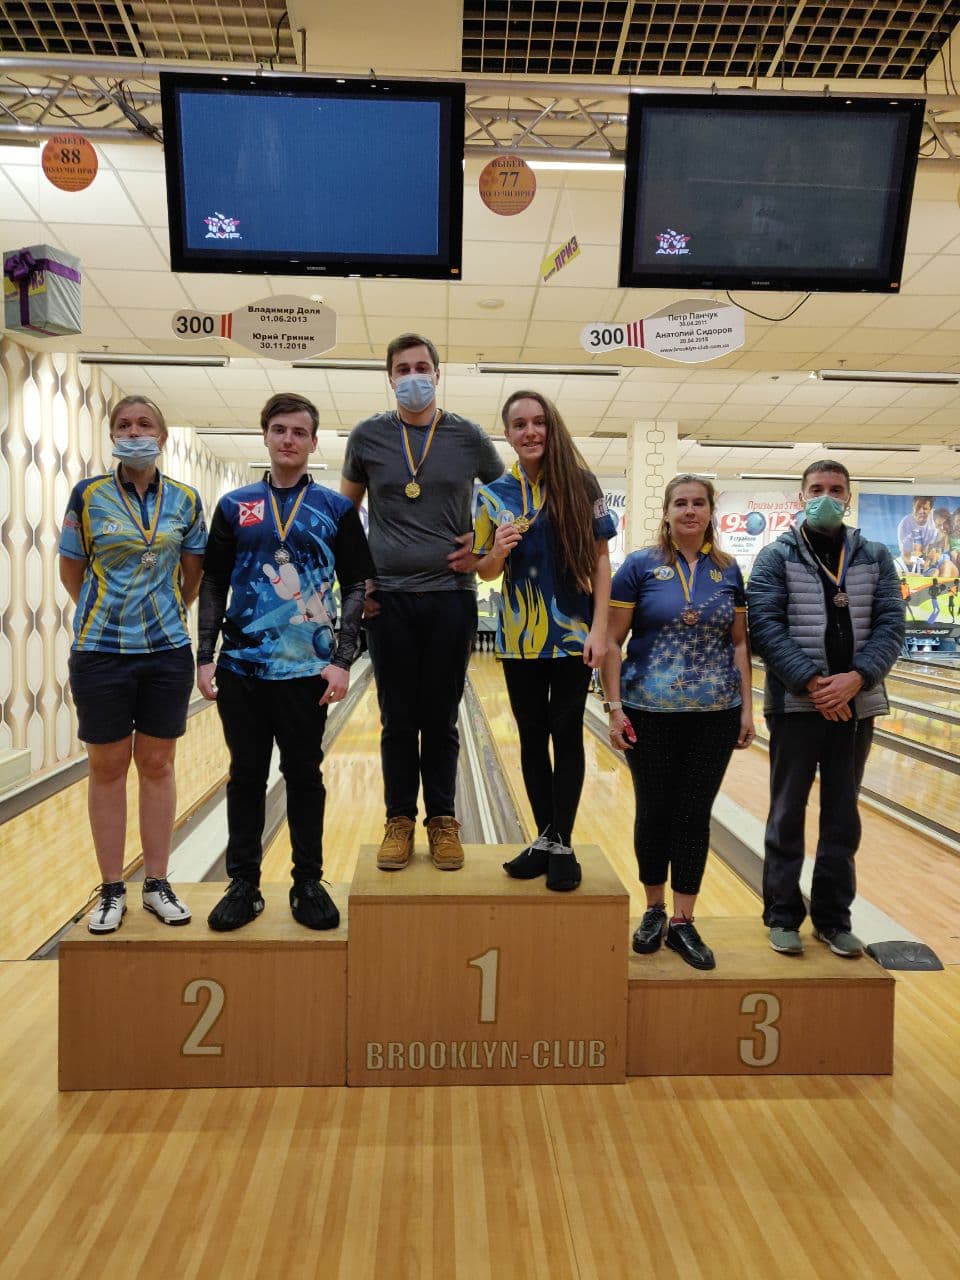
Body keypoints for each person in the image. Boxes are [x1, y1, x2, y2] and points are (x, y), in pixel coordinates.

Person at [197, 393, 373, 931]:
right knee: (245, 776)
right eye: (279, 429)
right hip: (242, 667)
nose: (288, 439)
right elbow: (213, 582)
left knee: (303, 775)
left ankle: (307, 881)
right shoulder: (235, 505)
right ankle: (243, 884)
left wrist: (342, 658)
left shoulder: (336, 509)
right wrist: (205, 656)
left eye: (299, 432)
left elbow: (357, 584)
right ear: (266, 436)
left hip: (307, 670)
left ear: (313, 442)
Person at [341, 333, 503, 872]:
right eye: (402, 368)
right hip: (387, 601)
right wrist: (358, 583)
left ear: (438, 373)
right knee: (396, 718)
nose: (413, 376)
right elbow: (344, 518)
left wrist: (483, 545)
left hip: (451, 598)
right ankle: (399, 820)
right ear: (390, 377)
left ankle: (443, 820)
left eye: (421, 367)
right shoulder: (368, 436)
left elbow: (509, 498)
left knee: (440, 718)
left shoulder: (467, 436)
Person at [59, 395, 206, 933]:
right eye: (123, 425)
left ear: (162, 436)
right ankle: (111, 889)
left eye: (145, 424)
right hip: (100, 650)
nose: (134, 432)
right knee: (108, 766)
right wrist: (110, 612)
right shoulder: (88, 495)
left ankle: (157, 883)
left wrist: (164, 612)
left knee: (158, 764)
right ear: (112, 435)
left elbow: (193, 573)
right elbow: (72, 570)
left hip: (166, 651)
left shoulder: (186, 499)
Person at [747, 460, 904, 959]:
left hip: (857, 705)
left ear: (849, 497)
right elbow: (764, 626)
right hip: (796, 706)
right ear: (801, 497)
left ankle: (834, 921)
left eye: (836, 489)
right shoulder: (776, 555)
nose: (826, 497)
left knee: (842, 817)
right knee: (786, 813)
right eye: (817, 489)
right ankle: (782, 916)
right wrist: (814, 684)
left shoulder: (875, 556)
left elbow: (892, 624)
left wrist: (857, 678)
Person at [600, 475, 754, 970]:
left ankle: (684, 921)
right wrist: (614, 707)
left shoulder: (728, 570)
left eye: (699, 503)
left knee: (694, 813)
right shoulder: (639, 566)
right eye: (681, 503)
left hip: (715, 713)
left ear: (710, 512)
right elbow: (612, 641)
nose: (690, 510)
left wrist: (747, 708)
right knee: (655, 810)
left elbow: (739, 643)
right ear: (666, 512)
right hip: (649, 710)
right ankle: (654, 910)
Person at [473, 391, 617, 891]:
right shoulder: (492, 493)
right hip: (519, 638)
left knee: (567, 731)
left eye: (539, 422)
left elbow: (601, 560)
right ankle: (546, 838)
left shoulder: (581, 483)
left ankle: (563, 843)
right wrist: (496, 550)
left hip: (575, 634)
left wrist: (600, 629)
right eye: (520, 424)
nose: (530, 431)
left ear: (551, 428)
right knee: (532, 736)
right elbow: (485, 571)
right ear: (508, 435)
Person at [896, 496, 937, 572]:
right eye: (918, 507)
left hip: (931, 561)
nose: (921, 511)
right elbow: (906, 556)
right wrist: (921, 564)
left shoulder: (936, 517)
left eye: (925, 508)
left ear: (930, 510)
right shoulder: (905, 524)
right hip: (913, 562)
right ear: (913, 507)